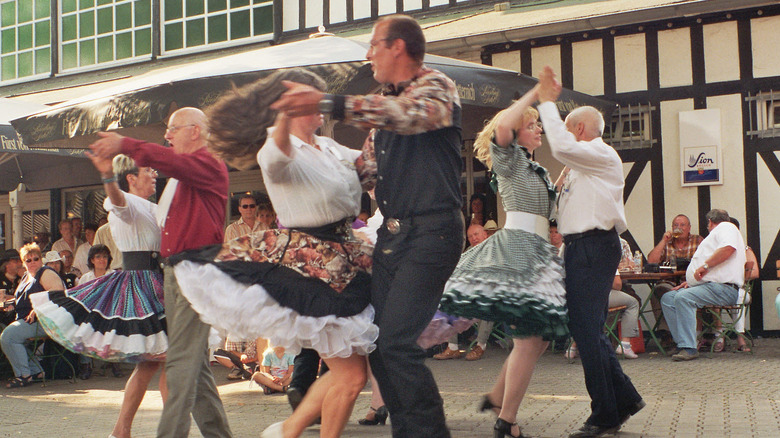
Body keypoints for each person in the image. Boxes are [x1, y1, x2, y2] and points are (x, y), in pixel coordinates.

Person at [272, 15, 464, 438]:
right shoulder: (381, 105)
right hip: (393, 236)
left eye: (373, 45)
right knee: (379, 344)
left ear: (398, 47)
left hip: (433, 231)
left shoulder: (437, 88)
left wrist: (327, 102)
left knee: (396, 342)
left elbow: (409, 116)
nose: (368, 55)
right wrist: (302, 167)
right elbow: (364, 173)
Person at [166, 69, 376, 438]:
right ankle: (288, 431)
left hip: (349, 258)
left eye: (321, 103)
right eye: (312, 104)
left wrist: (387, 117)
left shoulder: (329, 147)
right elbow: (276, 159)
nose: (321, 111)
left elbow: (369, 165)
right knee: (352, 375)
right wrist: (282, 116)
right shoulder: (276, 148)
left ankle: (288, 431)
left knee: (352, 375)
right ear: (290, 108)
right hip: (309, 268)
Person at [89, 107, 233, 438]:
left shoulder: (205, 162)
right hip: (173, 272)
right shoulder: (181, 179)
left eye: (173, 129)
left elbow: (171, 164)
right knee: (192, 367)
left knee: (179, 361)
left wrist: (125, 143)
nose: (167, 136)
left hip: (191, 268)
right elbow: (125, 202)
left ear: (195, 131)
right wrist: (110, 172)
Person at [438, 86, 568, 438]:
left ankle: (498, 398)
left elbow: (545, 208)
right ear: (518, 131)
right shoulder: (509, 159)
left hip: (537, 252)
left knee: (537, 339)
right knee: (530, 339)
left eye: (539, 125)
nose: (539, 129)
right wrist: (534, 95)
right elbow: (502, 129)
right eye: (533, 125)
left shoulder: (531, 165)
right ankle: (506, 419)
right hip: (519, 250)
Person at [537, 65, 644, 438]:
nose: (564, 135)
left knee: (586, 330)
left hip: (595, 246)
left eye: (568, 126)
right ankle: (624, 400)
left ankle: (605, 414)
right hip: (582, 248)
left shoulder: (600, 153)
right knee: (588, 330)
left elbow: (562, 146)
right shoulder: (580, 165)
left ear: (580, 129)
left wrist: (548, 104)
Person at [32, 154, 167, 438]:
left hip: (158, 282)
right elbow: (116, 199)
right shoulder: (126, 203)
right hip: (140, 284)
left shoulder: (153, 206)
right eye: (148, 170)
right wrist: (107, 176)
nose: (154, 174)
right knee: (165, 360)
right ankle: (163, 429)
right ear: (131, 178)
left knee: (155, 362)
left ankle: (123, 431)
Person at [661, 209, 747, 362]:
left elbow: (728, 249)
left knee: (683, 298)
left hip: (724, 288)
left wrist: (705, 266)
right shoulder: (719, 233)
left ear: (710, 222)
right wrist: (692, 282)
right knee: (668, 298)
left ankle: (689, 347)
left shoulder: (726, 227)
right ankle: (682, 342)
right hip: (710, 286)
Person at [0, 243, 65, 388]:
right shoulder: (26, 276)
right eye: (28, 260)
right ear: (23, 262)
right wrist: (6, 304)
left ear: (41, 260)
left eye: (36, 259)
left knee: (8, 337)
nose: (33, 262)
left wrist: (37, 309)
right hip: (26, 320)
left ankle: (24, 375)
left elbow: (58, 295)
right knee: (10, 334)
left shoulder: (45, 272)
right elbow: (20, 300)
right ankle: (37, 372)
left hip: (46, 321)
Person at [565, 238, 641, 361]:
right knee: (632, 302)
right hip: (600, 296)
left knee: (589, 314)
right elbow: (617, 285)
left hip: (576, 297)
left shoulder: (577, 252)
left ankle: (573, 347)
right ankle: (625, 345)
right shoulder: (607, 255)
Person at [434, 223, 495, 362]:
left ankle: (480, 345)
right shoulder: (468, 253)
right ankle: (453, 347)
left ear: (485, 235)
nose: (474, 238)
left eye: (476, 234)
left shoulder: (494, 252)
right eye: (470, 236)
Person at [646, 214, 703, 338]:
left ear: (689, 227)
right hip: (670, 282)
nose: (679, 228)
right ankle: (667, 334)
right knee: (658, 292)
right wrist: (663, 240)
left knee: (687, 296)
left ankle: (692, 335)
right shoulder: (668, 243)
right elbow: (651, 261)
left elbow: (707, 260)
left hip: (690, 282)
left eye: (683, 225)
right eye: (675, 225)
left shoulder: (697, 240)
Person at [0, 249, 24, 328]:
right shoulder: (1, 278)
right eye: (16, 262)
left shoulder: (23, 279)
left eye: (20, 261)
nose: (20, 264)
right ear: (7, 265)